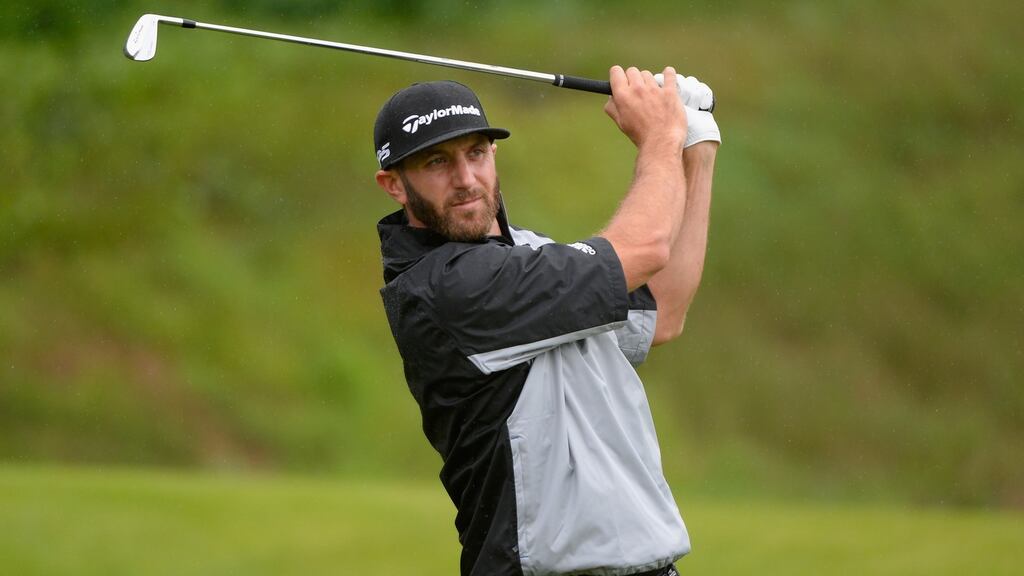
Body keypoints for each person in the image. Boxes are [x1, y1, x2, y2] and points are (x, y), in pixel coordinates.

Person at [373, 66, 720, 576]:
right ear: (394, 185)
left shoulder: (527, 255)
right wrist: (660, 136)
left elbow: (663, 312)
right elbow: (644, 248)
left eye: (476, 153)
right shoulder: (446, 287)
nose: (466, 179)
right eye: (436, 162)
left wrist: (697, 146)